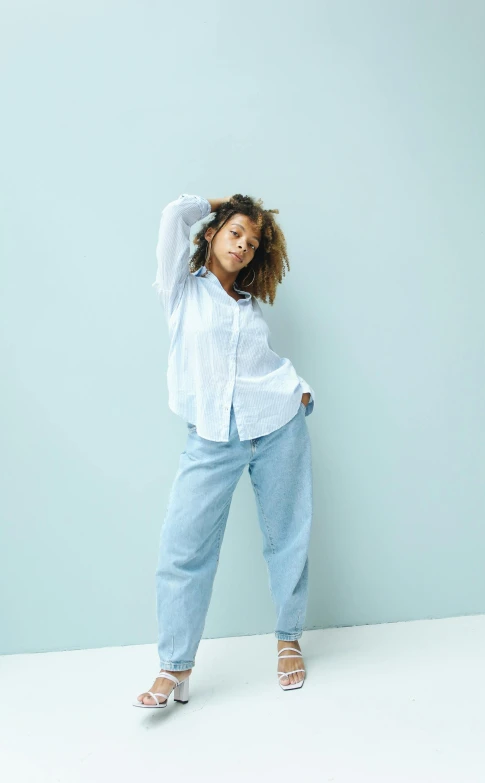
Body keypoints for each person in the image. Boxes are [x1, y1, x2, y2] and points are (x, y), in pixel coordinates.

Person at [134, 193, 315, 708]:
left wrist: (299, 391)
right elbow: (172, 215)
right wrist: (229, 201)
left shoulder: (248, 307)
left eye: (253, 243)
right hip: (212, 436)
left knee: (288, 537)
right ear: (211, 233)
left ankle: (288, 639)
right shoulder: (180, 292)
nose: (243, 245)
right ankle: (175, 667)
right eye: (235, 232)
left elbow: (260, 365)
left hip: (278, 423)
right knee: (183, 547)